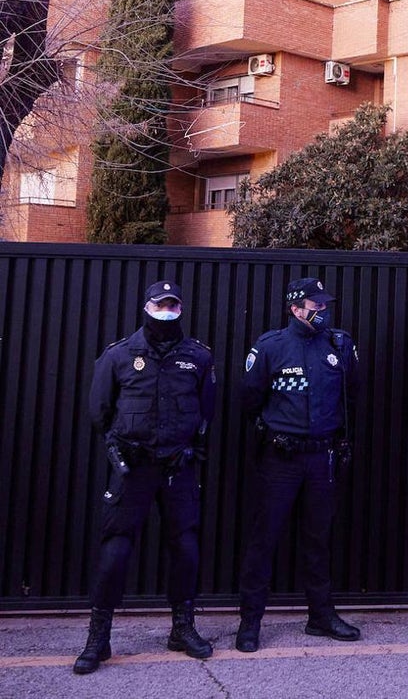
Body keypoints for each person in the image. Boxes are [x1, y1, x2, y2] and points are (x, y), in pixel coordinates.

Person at [75, 281, 216, 674]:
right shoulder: (120, 355)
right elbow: (99, 411)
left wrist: (191, 448)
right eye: (160, 305)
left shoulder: (198, 357)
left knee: (185, 548)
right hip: (133, 467)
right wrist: (118, 447)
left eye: (173, 305)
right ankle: (98, 638)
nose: (167, 311)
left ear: (181, 309)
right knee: (116, 549)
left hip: (178, 467)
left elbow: (207, 410)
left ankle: (182, 628)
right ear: (147, 307)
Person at [234, 277, 361, 652]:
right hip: (281, 458)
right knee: (264, 539)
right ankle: (250, 621)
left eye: (324, 305)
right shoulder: (271, 346)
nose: (322, 311)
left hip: (323, 456)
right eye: (315, 305)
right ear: (295, 308)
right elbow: (249, 397)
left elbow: (353, 394)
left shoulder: (340, 344)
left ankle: (320, 617)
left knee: (318, 539)